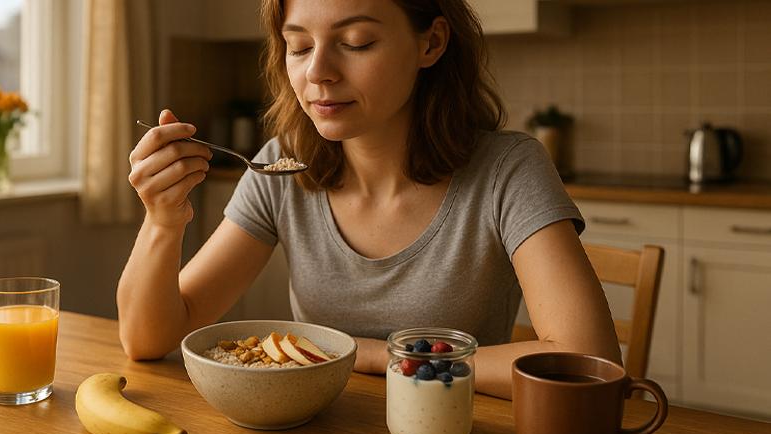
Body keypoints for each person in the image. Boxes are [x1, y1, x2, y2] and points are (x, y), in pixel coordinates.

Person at [118, 0, 621, 400]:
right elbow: (148, 339)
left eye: (356, 42)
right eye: (298, 46)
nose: (318, 72)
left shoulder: (508, 169)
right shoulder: (282, 166)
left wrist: (374, 355)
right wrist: (163, 222)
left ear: (432, 42)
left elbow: (585, 361)